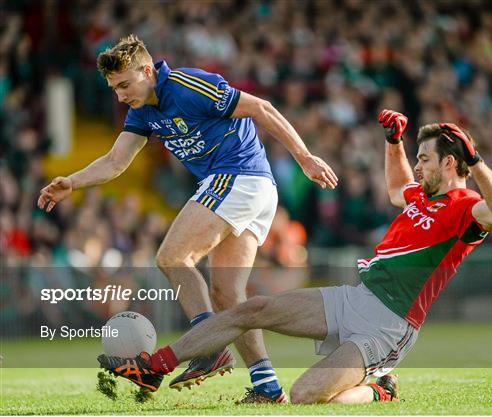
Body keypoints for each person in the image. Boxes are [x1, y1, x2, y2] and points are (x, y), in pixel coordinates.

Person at [98, 109, 492, 404]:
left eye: (425, 159)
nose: (418, 167)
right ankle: (156, 365)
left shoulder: (466, 206)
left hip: (389, 327)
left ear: (450, 162)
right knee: (253, 308)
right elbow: (394, 188)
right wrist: (393, 144)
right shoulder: (420, 195)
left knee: (306, 396)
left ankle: (379, 388)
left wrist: (476, 163)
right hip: (355, 299)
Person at [37, 34, 338, 403]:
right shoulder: (142, 111)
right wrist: (73, 181)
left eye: (125, 85)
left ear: (148, 71)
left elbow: (263, 108)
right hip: (247, 188)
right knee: (227, 293)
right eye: (115, 89)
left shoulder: (186, 86)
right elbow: (116, 162)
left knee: (171, 256)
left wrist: (304, 158)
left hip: (239, 176)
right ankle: (267, 386)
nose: (120, 96)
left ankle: (208, 346)